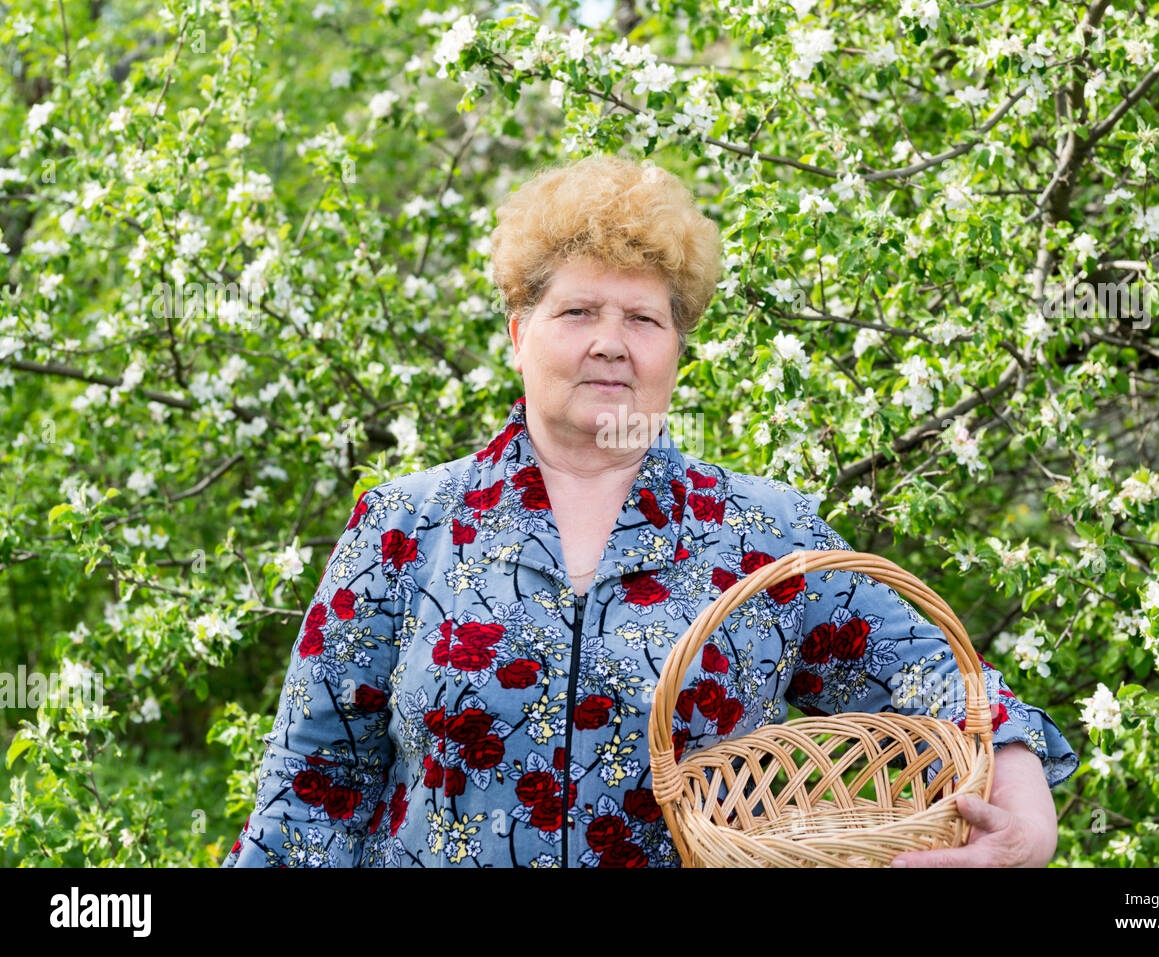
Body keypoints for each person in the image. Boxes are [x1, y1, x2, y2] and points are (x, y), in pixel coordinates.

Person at [221, 154, 1077, 868]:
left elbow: (948, 685)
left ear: (676, 348)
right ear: (520, 332)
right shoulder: (405, 526)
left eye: (643, 317)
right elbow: (312, 787)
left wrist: (1027, 823)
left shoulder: (763, 530)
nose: (610, 341)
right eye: (578, 311)